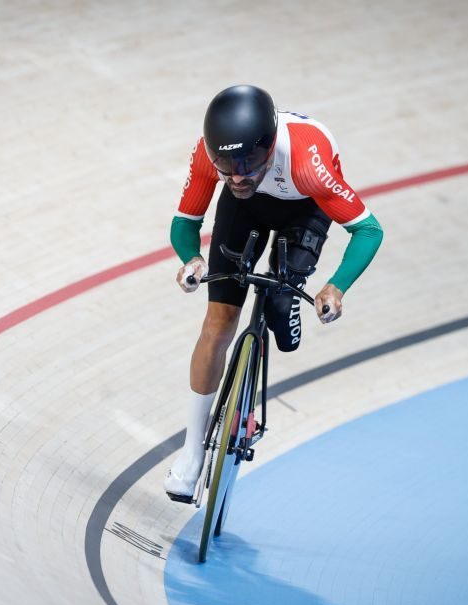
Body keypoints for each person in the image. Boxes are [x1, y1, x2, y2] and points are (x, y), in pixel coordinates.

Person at [164, 84, 384, 501]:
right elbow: (185, 221)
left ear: (268, 148)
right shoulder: (216, 161)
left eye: (247, 161)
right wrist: (191, 259)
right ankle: (192, 452)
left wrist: (336, 287)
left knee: (282, 308)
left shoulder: (307, 163)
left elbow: (368, 230)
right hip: (244, 211)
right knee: (218, 322)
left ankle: (282, 307)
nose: (238, 174)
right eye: (226, 164)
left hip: (303, 207)